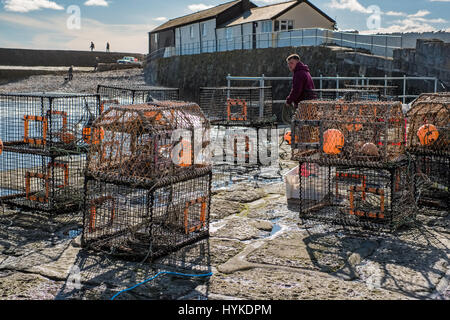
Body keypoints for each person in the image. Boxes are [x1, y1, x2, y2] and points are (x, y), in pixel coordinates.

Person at [283, 54, 316, 125]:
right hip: (310, 102)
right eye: (288, 64)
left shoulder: (299, 73)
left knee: (300, 125)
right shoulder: (305, 71)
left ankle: (302, 136)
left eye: (291, 63)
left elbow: (296, 91)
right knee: (308, 125)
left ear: (297, 62)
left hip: (304, 104)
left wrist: (288, 101)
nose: (289, 65)